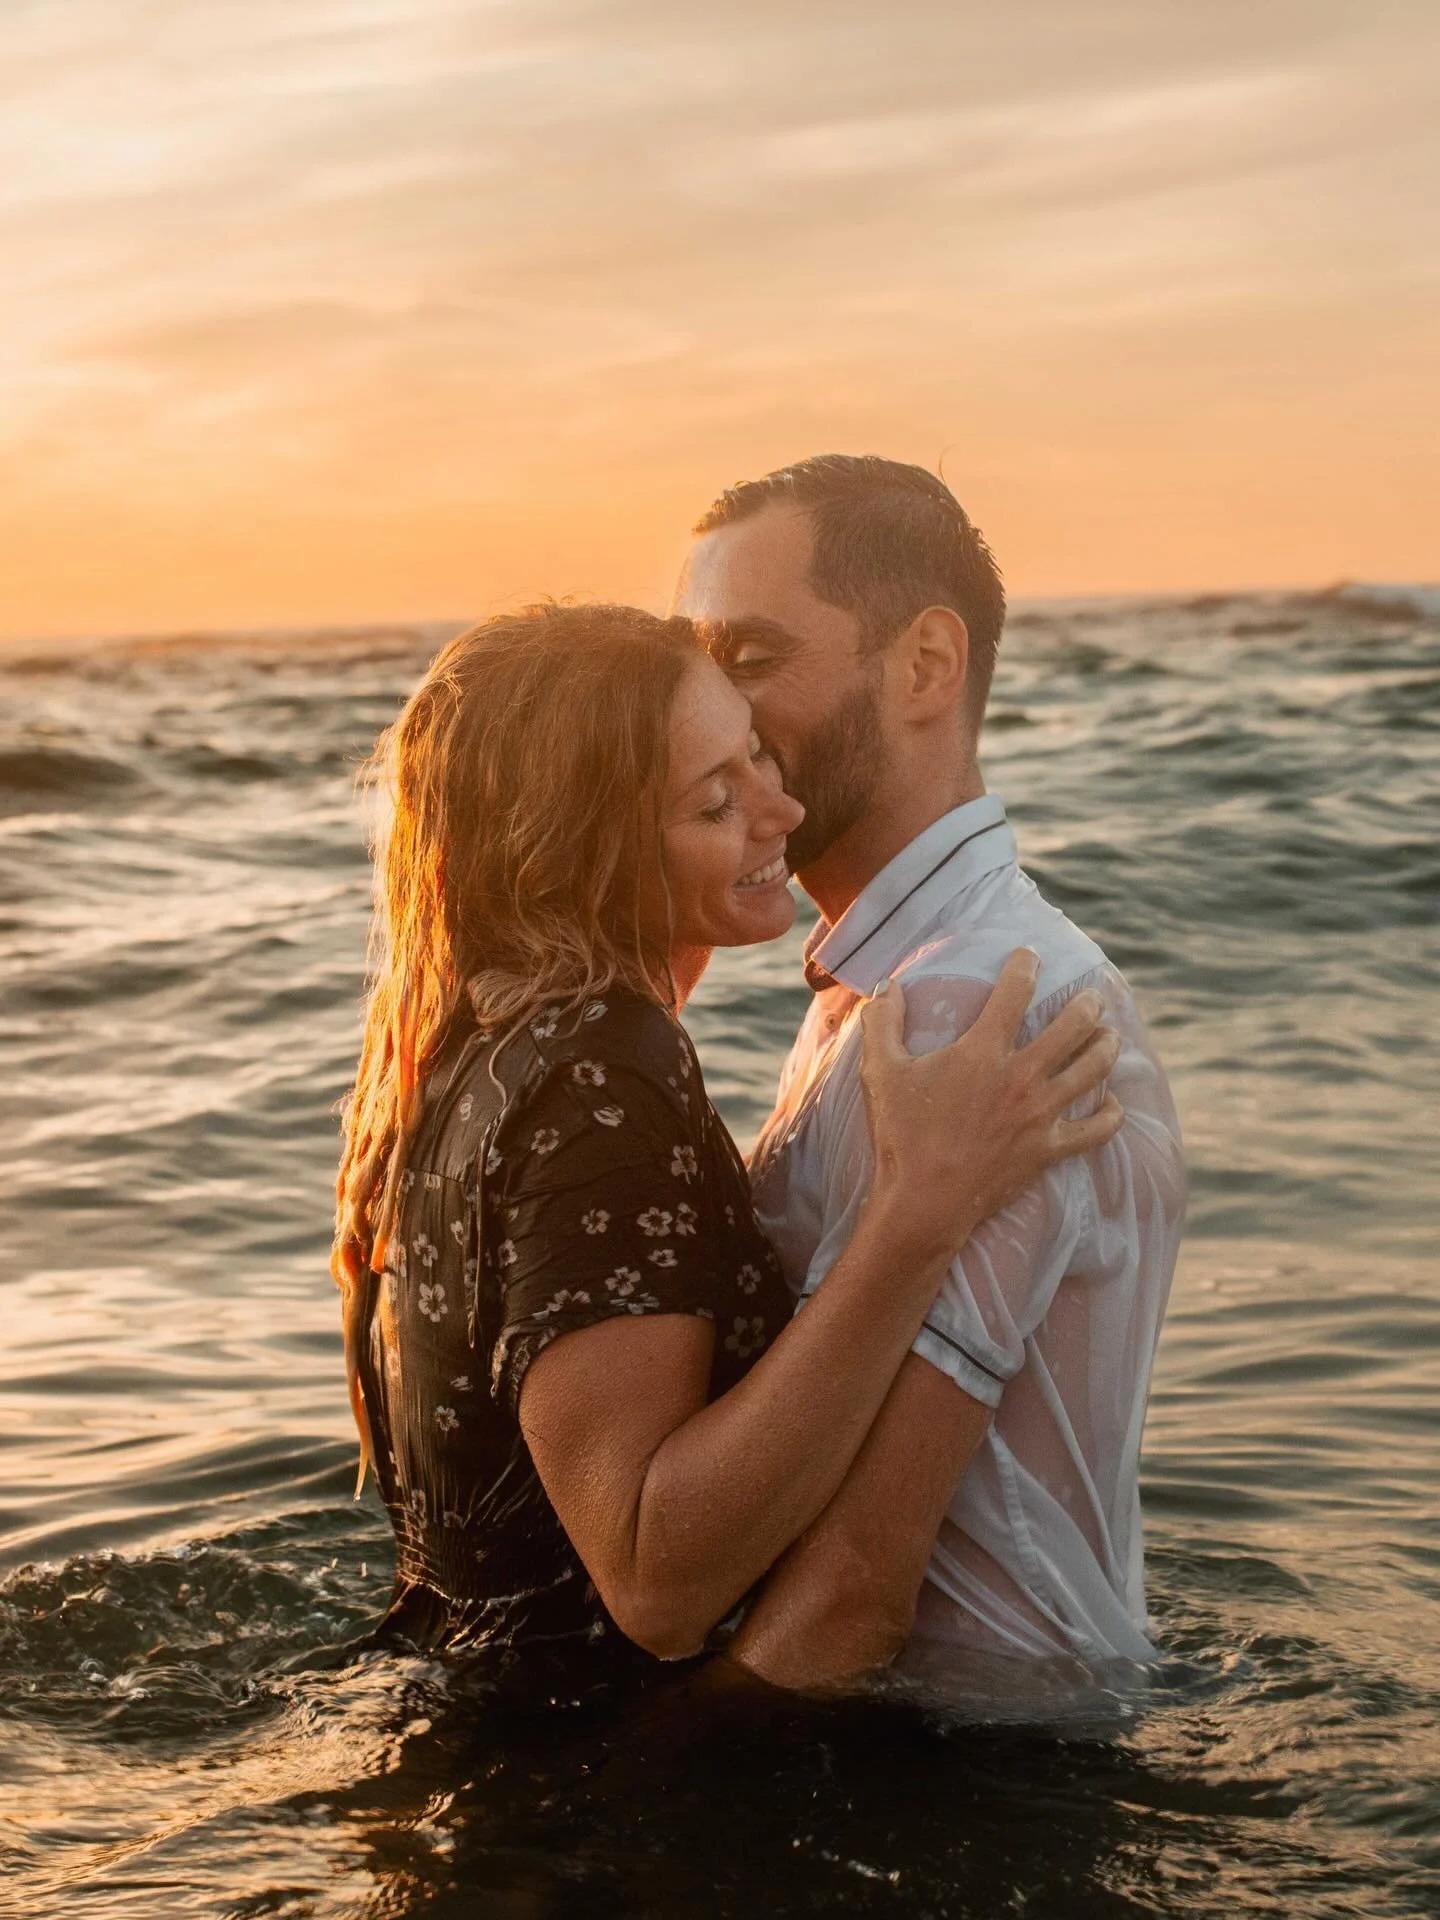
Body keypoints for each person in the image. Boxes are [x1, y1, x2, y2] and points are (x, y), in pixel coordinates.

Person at [333, 601, 1123, 1664]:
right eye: (716, 802)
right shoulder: (600, 1071)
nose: (782, 808)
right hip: (589, 1799)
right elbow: (654, 1579)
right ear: (587, 859)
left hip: (472, 1745)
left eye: (757, 753)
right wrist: (918, 1210)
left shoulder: (476, 1041)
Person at [675, 456, 1186, 1690]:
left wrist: (617, 1806)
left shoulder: (979, 1006)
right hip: (987, 1735)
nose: (713, 718)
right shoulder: (896, 983)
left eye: (749, 660)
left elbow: (862, 1590)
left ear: (923, 665)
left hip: (972, 1774)